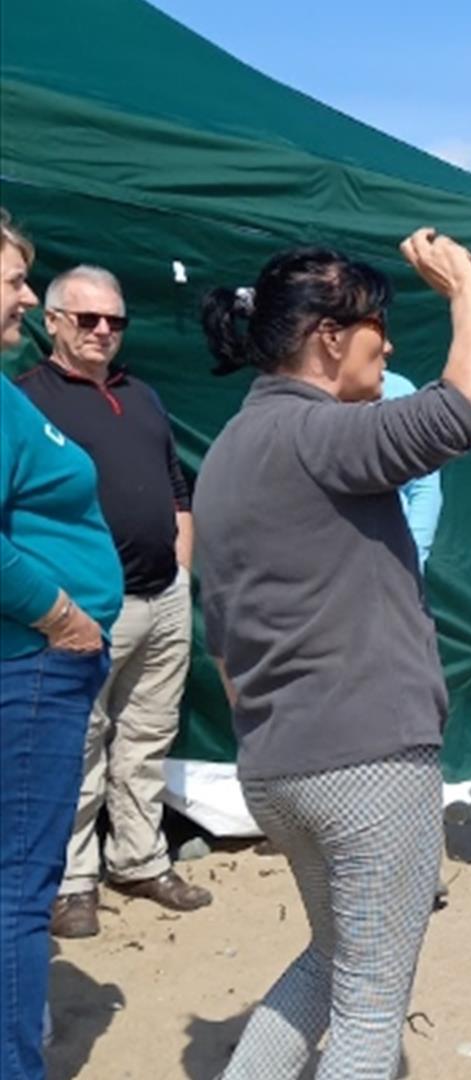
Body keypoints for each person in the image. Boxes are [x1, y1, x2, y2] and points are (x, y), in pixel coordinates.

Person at [194, 230, 471, 1078]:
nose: (390, 347)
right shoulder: (320, 434)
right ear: (329, 337)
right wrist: (464, 284)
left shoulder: (227, 454)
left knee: (330, 963)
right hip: (367, 760)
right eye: (378, 327)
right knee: (370, 1013)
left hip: (277, 762)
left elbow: (222, 642)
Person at [15, 264, 212, 940]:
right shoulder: (26, 400)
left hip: (163, 597)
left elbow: (176, 487)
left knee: (147, 738)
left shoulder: (144, 396)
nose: (103, 330)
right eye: (88, 318)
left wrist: (181, 570)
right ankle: (73, 882)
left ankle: (140, 859)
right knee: (78, 744)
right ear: (52, 321)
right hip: (85, 612)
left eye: (115, 320)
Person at [0, 211, 122, 1080]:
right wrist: (60, 616)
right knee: (19, 887)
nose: (24, 297)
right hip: (31, 666)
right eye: (12, 282)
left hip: (36, 663)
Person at [381, 369, 444, 575]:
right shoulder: (300, 400)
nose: (386, 352)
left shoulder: (398, 390)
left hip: (390, 567)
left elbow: (424, 487)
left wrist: (412, 559)